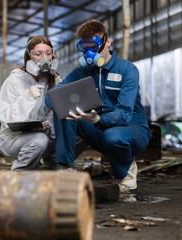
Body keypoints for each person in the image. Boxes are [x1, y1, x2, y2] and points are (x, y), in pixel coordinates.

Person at [45, 19, 151, 191]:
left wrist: (98, 119)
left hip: (131, 128)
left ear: (107, 42)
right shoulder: (82, 72)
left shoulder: (128, 70)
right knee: (62, 109)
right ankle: (66, 167)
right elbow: (51, 99)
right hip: (97, 127)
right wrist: (75, 108)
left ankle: (125, 171)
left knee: (113, 137)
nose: (88, 52)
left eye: (93, 46)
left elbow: (124, 113)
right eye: (84, 47)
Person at [0, 35, 61, 171]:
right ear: (29, 57)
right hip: (15, 138)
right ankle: (20, 172)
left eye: (48, 54)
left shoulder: (54, 80)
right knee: (39, 140)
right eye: (38, 54)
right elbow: (6, 118)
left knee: (81, 129)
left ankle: (53, 161)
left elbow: (57, 112)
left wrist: (49, 127)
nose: (45, 59)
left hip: (47, 134)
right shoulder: (14, 80)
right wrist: (27, 98)